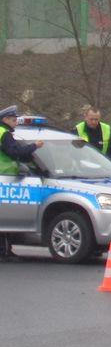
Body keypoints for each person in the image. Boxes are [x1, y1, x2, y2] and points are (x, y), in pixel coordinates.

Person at [1, 104, 45, 261]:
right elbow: (16, 153)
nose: (15, 123)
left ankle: (5, 250)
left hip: (5, 179)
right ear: (5, 119)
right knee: (5, 218)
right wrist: (35, 146)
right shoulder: (4, 134)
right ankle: (3, 251)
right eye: (13, 120)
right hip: (5, 179)